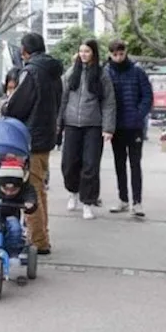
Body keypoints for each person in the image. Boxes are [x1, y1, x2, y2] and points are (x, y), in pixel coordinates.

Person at [1, 33, 64, 254]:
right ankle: (41, 235)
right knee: (40, 187)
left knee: (31, 188)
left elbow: (18, 104)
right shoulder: (53, 72)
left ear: (25, 50)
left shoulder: (31, 71)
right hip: (46, 135)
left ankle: (38, 241)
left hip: (31, 137)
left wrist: (5, 109)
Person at [59, 39, 117, 220]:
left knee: (90, 165)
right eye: (81, 51)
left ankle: (87, 202)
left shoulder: (102, 74)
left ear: (93, 53)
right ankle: (73, 192)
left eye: (87, 51)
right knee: (69, 164)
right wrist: (58, 123)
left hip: (93, 125)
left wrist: (108, 128)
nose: (83, 54)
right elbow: (63, 99)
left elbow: (109, 102)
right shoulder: (70, 73)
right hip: (71, 124)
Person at [105, 41, 153, 217]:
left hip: (134, 126)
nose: (118, 57)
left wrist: (138, 114)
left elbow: (147, 96)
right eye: (115, 54)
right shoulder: (106, 72)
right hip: (116, 126)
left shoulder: (137, 71)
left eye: (121, 53)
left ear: (126, 53)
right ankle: (123, 199)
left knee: (135, 164)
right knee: (119, 164)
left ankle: (137, 202)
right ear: (110, 54)